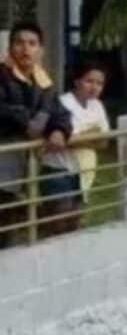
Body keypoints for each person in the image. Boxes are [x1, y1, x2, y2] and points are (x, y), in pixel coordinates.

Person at [0, 23, 72, 244]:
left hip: (25, 164)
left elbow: (60, 112)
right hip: (4, 160)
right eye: (19, 42)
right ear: (10, 47)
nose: (25, 49)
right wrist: (29, 121)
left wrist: (59, 130)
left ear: (40, 50)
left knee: (13, 219)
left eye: (32, 44)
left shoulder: (44, 82)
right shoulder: (1, 75)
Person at [42, 63, 110, 232]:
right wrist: (91, 135)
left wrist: (78, 137)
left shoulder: (97, 106)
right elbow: (62, 141)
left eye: (99, 83)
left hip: (83, 173)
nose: (94, 87)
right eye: (89, 81)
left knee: (76, 222)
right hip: (59, 171)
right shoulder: (63, 103)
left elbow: (104, 142)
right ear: (77, 81)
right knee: (59, 223)